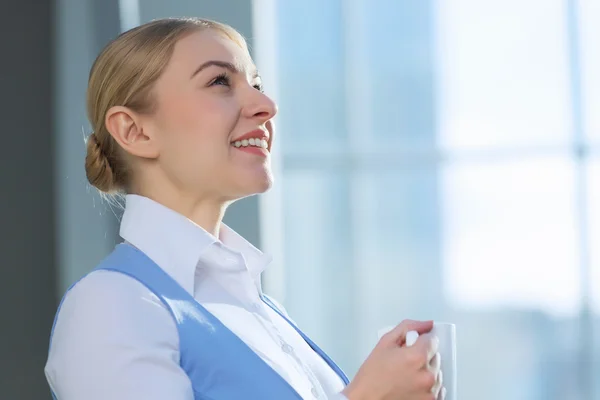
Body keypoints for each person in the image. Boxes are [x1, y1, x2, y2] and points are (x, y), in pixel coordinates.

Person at [44, 17, 445, 400]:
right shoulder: (110, 304)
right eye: (220, 81)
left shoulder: (258, 308)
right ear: (135, 131)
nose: (266, 105)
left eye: (256, 83)